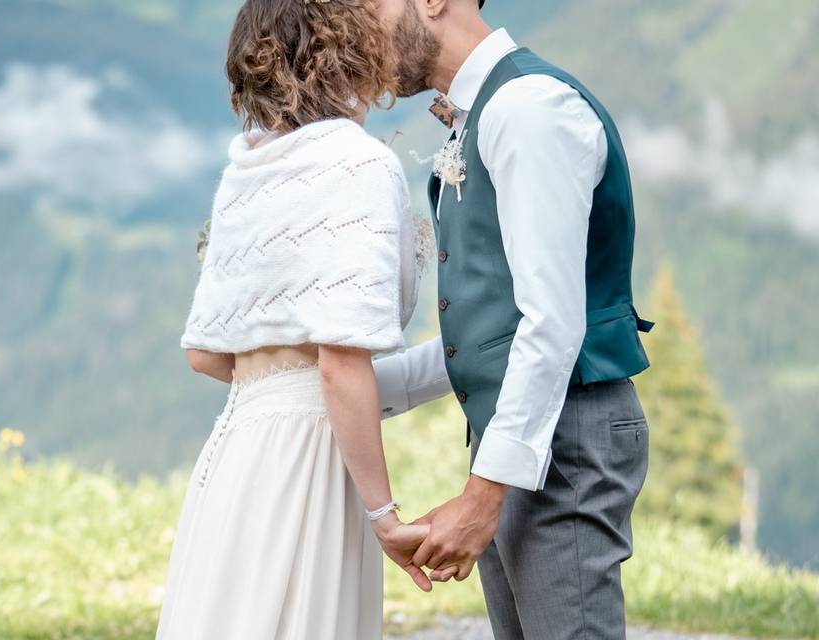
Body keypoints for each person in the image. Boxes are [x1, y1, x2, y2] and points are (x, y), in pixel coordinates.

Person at [370, 1, 654, 638]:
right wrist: (350, 393)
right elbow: (492, 327)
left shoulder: (527, 109)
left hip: (567, 436)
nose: (355, 30)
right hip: (524, 435)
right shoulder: (480, 119)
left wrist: (482, 495)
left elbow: (551, 322)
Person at [155, 1, 435, 638]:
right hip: (309, 466)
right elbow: (338, 366)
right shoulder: (359, 164)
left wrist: (442, 366)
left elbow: (206, 355)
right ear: (352, 51)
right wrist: (384, 514)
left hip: (236, 456)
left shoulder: (246, 171)